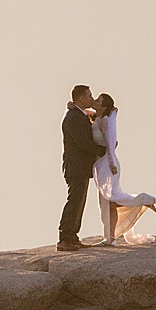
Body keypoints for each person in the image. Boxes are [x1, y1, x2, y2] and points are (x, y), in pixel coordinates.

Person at [93, 91, 156, 242]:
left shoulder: (105, 122)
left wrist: (111, 163)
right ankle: (110, 237)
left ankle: (143, 199)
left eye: (97, 101)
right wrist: (72, 106)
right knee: (107, 201)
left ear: (103, 107)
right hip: (101, 163)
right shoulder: (98, 118)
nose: (94, 101)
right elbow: (86, 112)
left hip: (108, 164)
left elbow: (110, 144)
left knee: (110, 199)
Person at [57, 83, 101, 251]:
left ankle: (72, 236)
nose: (92, 98)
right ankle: (65, 237)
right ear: (82, 98)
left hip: (79, 167)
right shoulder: (74, 117)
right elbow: (82, 142)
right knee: (74, 201)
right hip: (75, 167)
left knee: (79, 201)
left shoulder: (78, 114)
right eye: (89, 96)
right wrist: (101, 150)